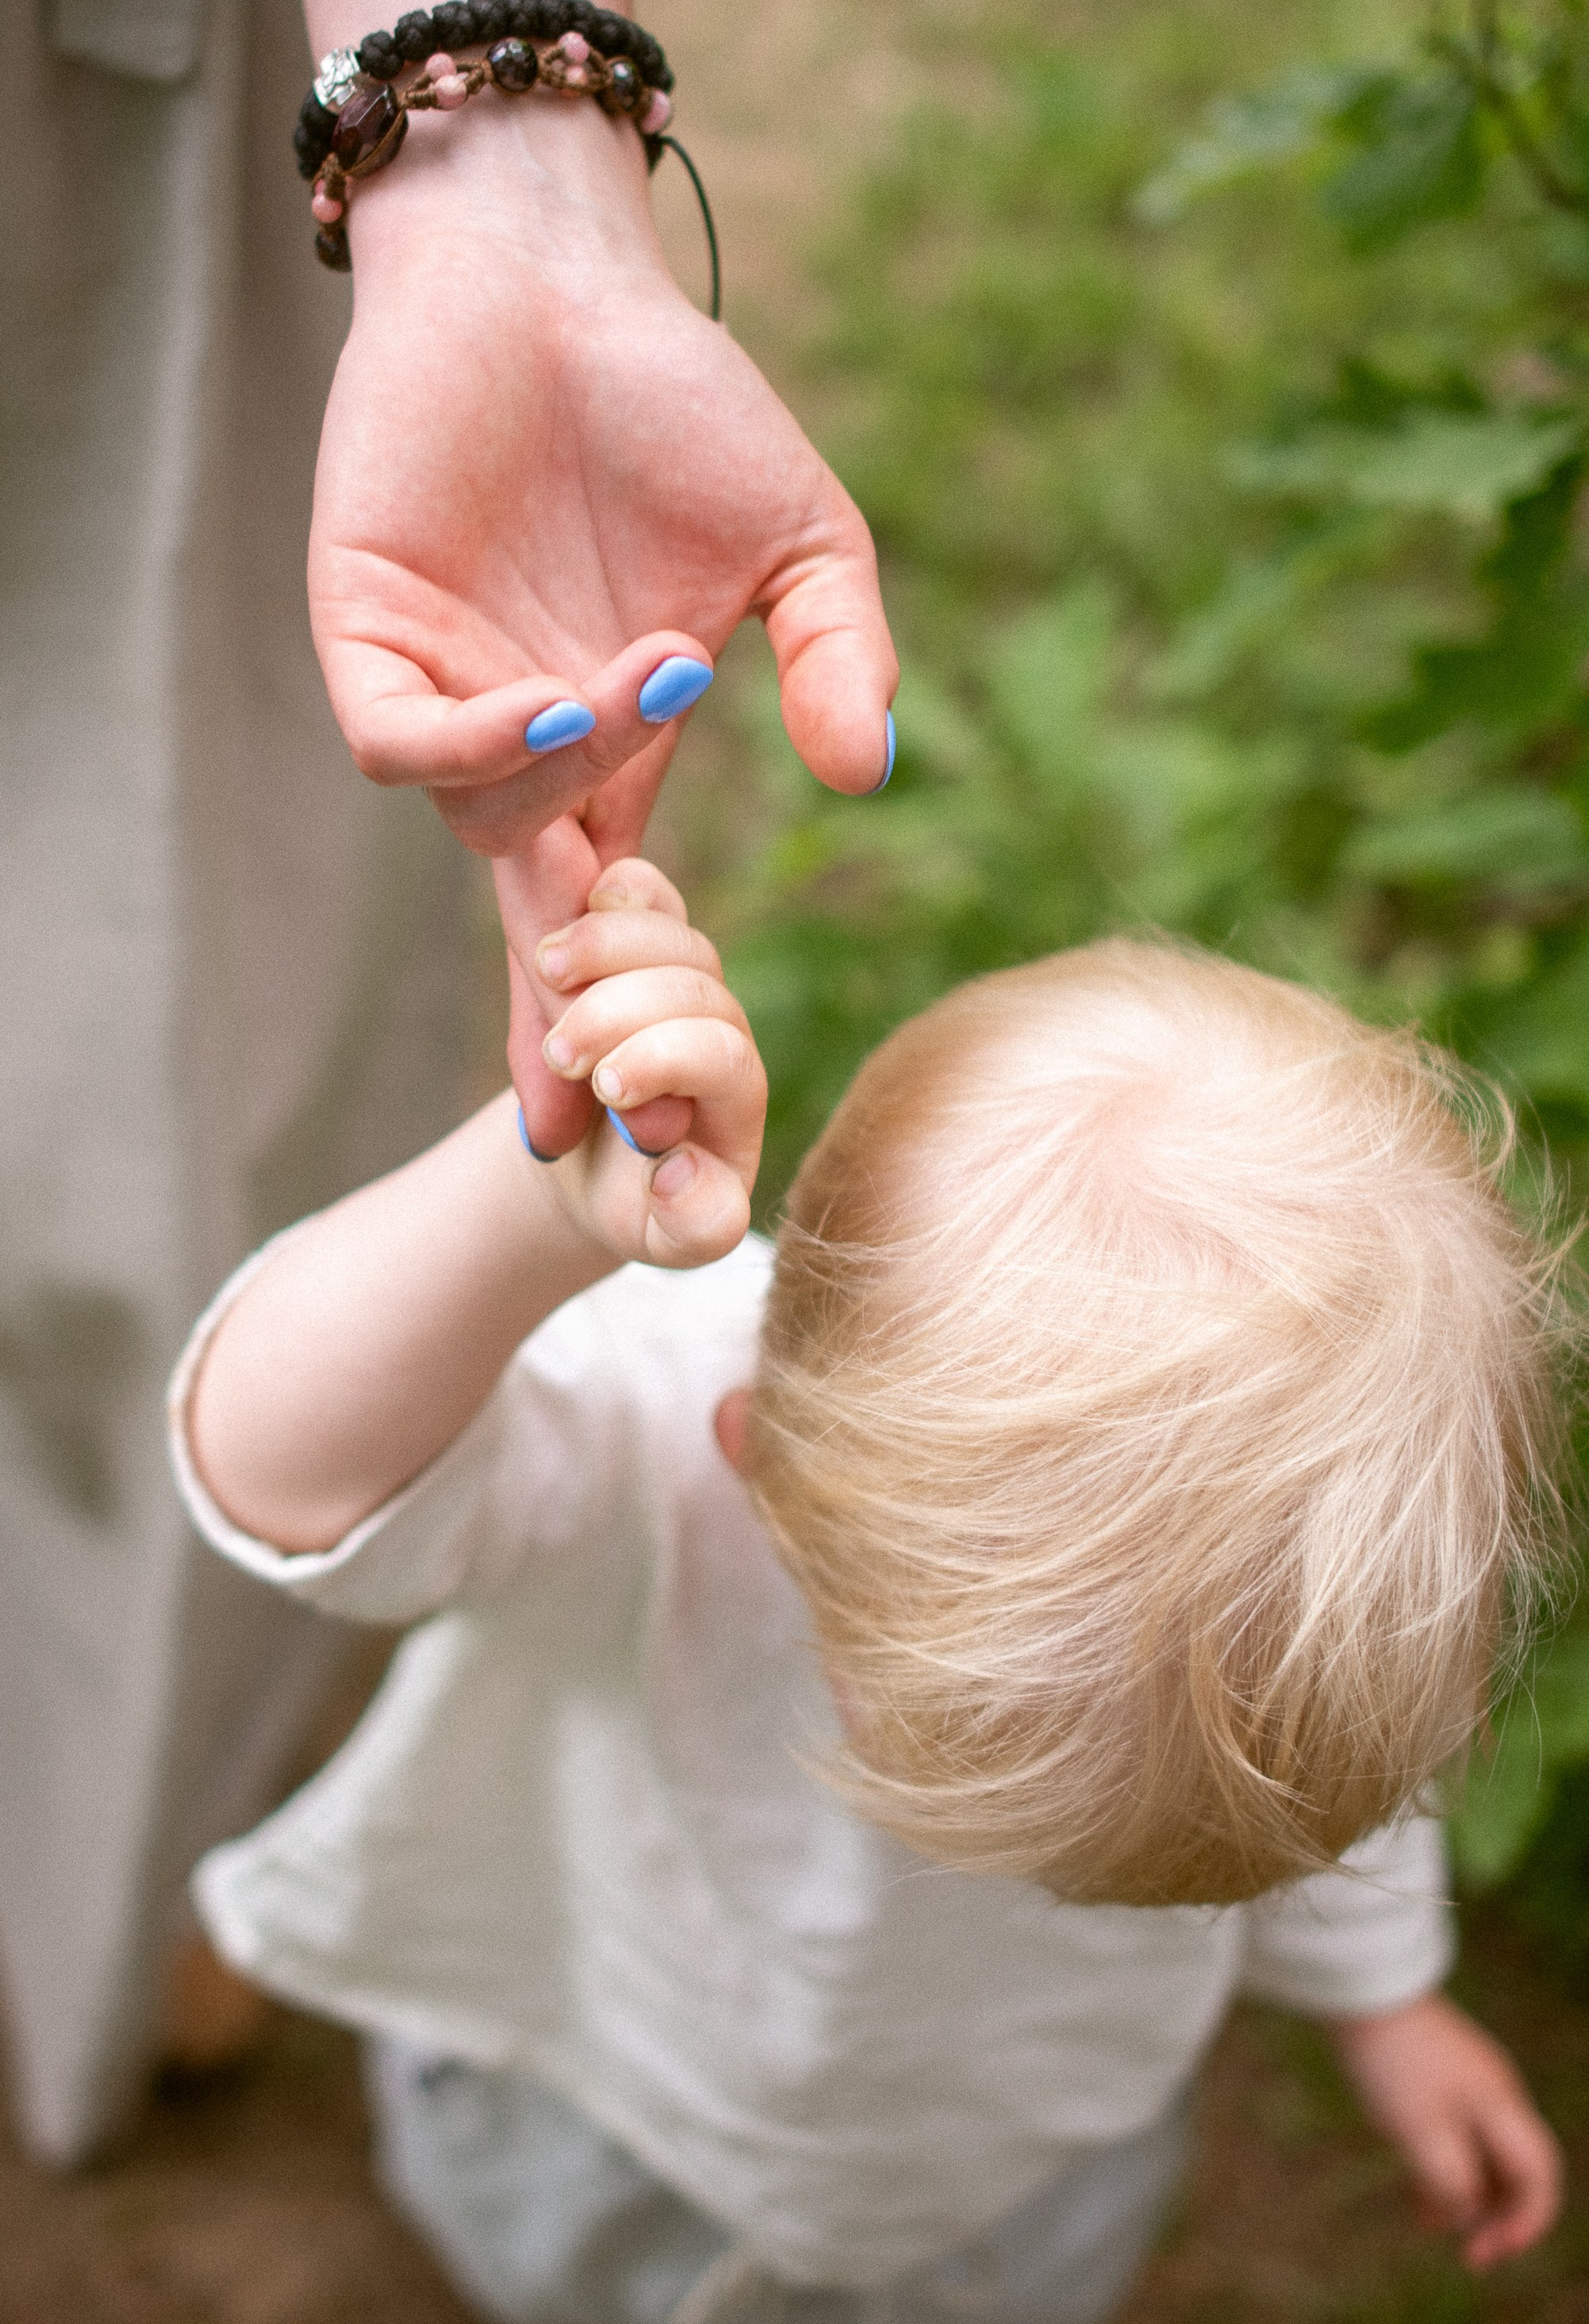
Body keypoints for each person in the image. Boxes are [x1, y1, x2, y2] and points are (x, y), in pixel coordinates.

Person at [166, 856, 1566, 2322]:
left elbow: (1323, 1790)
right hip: (601, 2089)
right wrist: (534, 1203)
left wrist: (1384, 2001)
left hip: (1014, 2176)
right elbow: (275, 1473)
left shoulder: (1310, 1609)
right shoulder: (646, 1434)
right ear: (756, 1454)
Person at [1, 0, 892, 2160]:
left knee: (146, 1024)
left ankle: (86, 1870)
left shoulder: (690, 1458)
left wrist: (494, 164)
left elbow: (270, 1449)